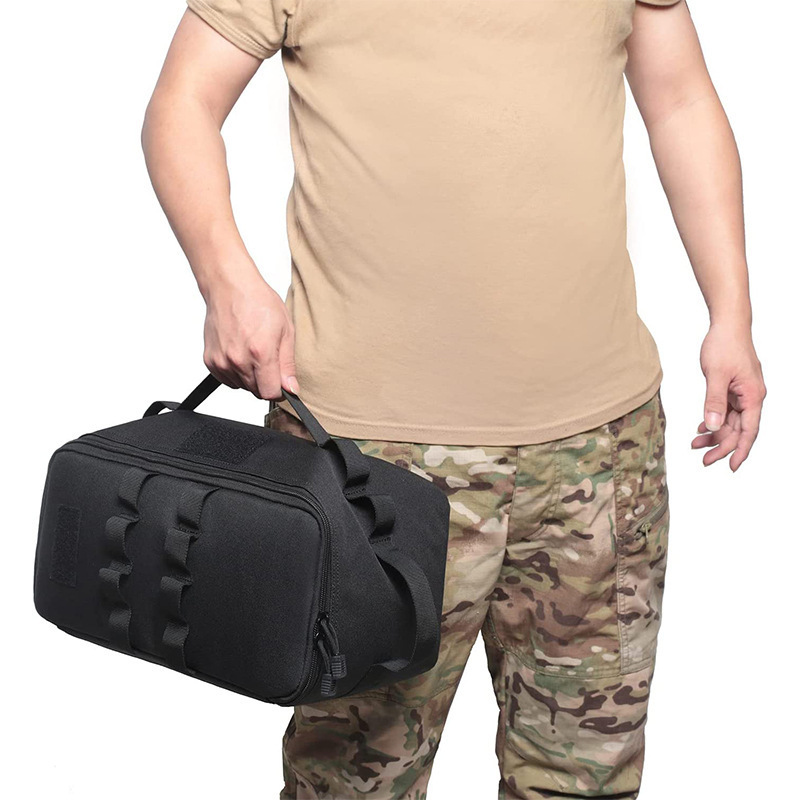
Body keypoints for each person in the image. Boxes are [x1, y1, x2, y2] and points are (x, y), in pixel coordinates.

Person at [141, 1, 766, 797]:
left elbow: (679, 100)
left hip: (599, 452)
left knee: (585, 782)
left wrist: (732, 315)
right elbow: (182, 102)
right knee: (351, 784)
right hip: (366, 460)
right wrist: (226, 281)